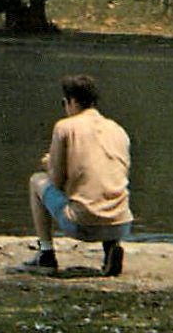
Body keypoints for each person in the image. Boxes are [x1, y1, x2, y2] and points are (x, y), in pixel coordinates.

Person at [26, 74, 132, 276]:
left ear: (72, 101)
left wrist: (50, 164)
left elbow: (56, 181)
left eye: (64, 102)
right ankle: (110, 249)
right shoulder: (118, 129)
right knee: (107, 181)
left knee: (36, 181)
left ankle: (46, 254)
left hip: (83, 225)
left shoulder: (65, 127)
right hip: (121, 223)